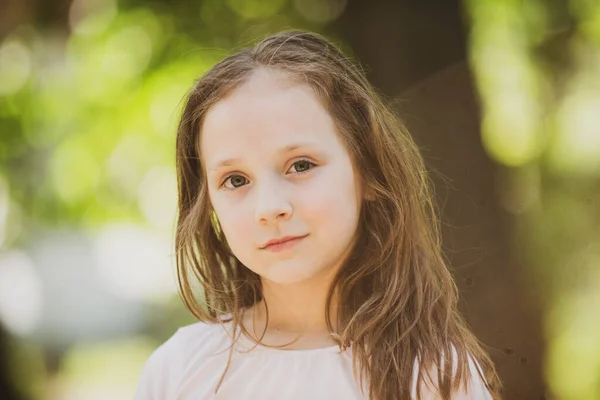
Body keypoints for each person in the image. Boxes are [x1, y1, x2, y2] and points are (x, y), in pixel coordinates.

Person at [134, 30, 502, 400]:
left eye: (301, 165)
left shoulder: (434, 374)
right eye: (235, 179)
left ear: (369, 172)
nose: (269, 208)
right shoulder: (179, 371)